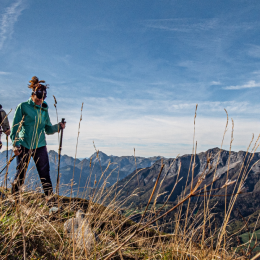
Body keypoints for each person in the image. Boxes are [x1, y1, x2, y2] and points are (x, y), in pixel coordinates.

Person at [10, 76, 66, 197]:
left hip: (40, 146)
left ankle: (52, 205)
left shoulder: (44, 110)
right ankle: (14, 200)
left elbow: (48, 129)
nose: (40, 100)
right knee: (21, 175)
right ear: (33, 94)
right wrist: (16, 145)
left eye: (43, 98)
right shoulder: (23, 107)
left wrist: (58, 127)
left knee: (45, 175)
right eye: (38, 97)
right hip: (24, 145)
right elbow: (15, 128)